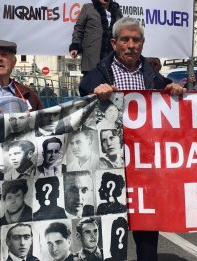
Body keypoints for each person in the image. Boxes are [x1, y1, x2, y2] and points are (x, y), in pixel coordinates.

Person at [78, 17, 186, 261]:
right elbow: (84, 88)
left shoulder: (154, 76)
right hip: (109, 162)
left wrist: (173, 89)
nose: (131, 45)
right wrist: (96, 89)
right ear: (114, 43)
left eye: (136, 40)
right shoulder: (99, 74)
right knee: (108, 226)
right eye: (125, 40)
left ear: (143, 43)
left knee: (147, 229)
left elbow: (166, 94)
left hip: (144, 164)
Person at [69, 0, 123, 74]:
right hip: (92, 56)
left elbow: (121, 31)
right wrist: (75, 45)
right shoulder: (88, 8)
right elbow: (79, 28)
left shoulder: (117, 11)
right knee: (91, 86)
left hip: (111, 57)